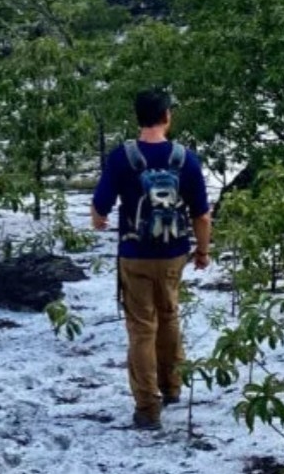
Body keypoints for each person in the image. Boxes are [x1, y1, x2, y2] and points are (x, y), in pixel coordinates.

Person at [90, 88, 211, 431]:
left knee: (142, 330)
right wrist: (202, 251)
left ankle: (147, 408)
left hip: (135, 255)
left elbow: (101, 206)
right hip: (173, 254)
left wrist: (97, 219)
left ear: (137, 117)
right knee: (170, 317)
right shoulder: (185, 158)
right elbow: (202, 215)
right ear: (167, 116)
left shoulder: (121, 157)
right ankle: (172, 388)